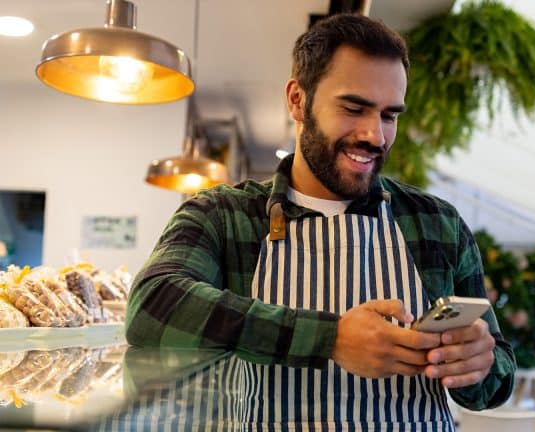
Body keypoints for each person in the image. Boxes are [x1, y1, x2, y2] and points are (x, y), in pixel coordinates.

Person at [126, 13, 515, 431]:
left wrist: (478, 363)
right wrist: (329, 338)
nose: (375, 135)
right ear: (297, 99)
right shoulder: (225, 216)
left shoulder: (437, 224)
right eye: (354, 108)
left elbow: (497, 380)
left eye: (389, 116)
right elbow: (153, 306)